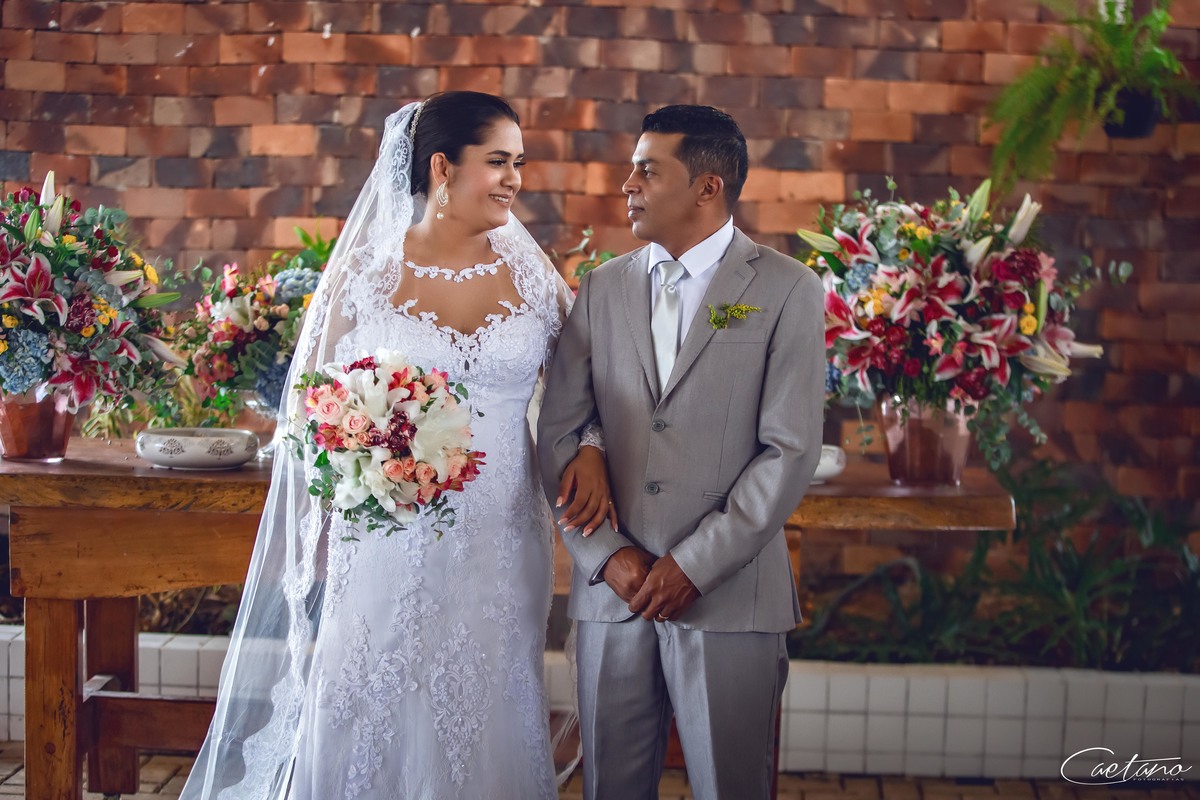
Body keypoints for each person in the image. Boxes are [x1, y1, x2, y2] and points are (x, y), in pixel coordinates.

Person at [183, 91, 612, 800]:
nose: (514, 179)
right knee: (376, 683)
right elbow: (313, 410)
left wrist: (590, 446)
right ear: (442, 167)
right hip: (387, 534)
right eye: (498, 162)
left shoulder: (531, 275)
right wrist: (365, 457)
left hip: (502, 535)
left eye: (519, 163)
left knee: (488, 692)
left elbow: (584, 387)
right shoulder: (367, 273)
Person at [537, 105, 826, 800]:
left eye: (647, 170)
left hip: (729, 596)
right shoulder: (602, 287)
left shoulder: (788, 288)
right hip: (613, 595)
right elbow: (559, 431)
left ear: (707, 187)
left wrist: (694, 565)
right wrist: (606, 554)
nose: (628, 184)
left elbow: (789, 450)